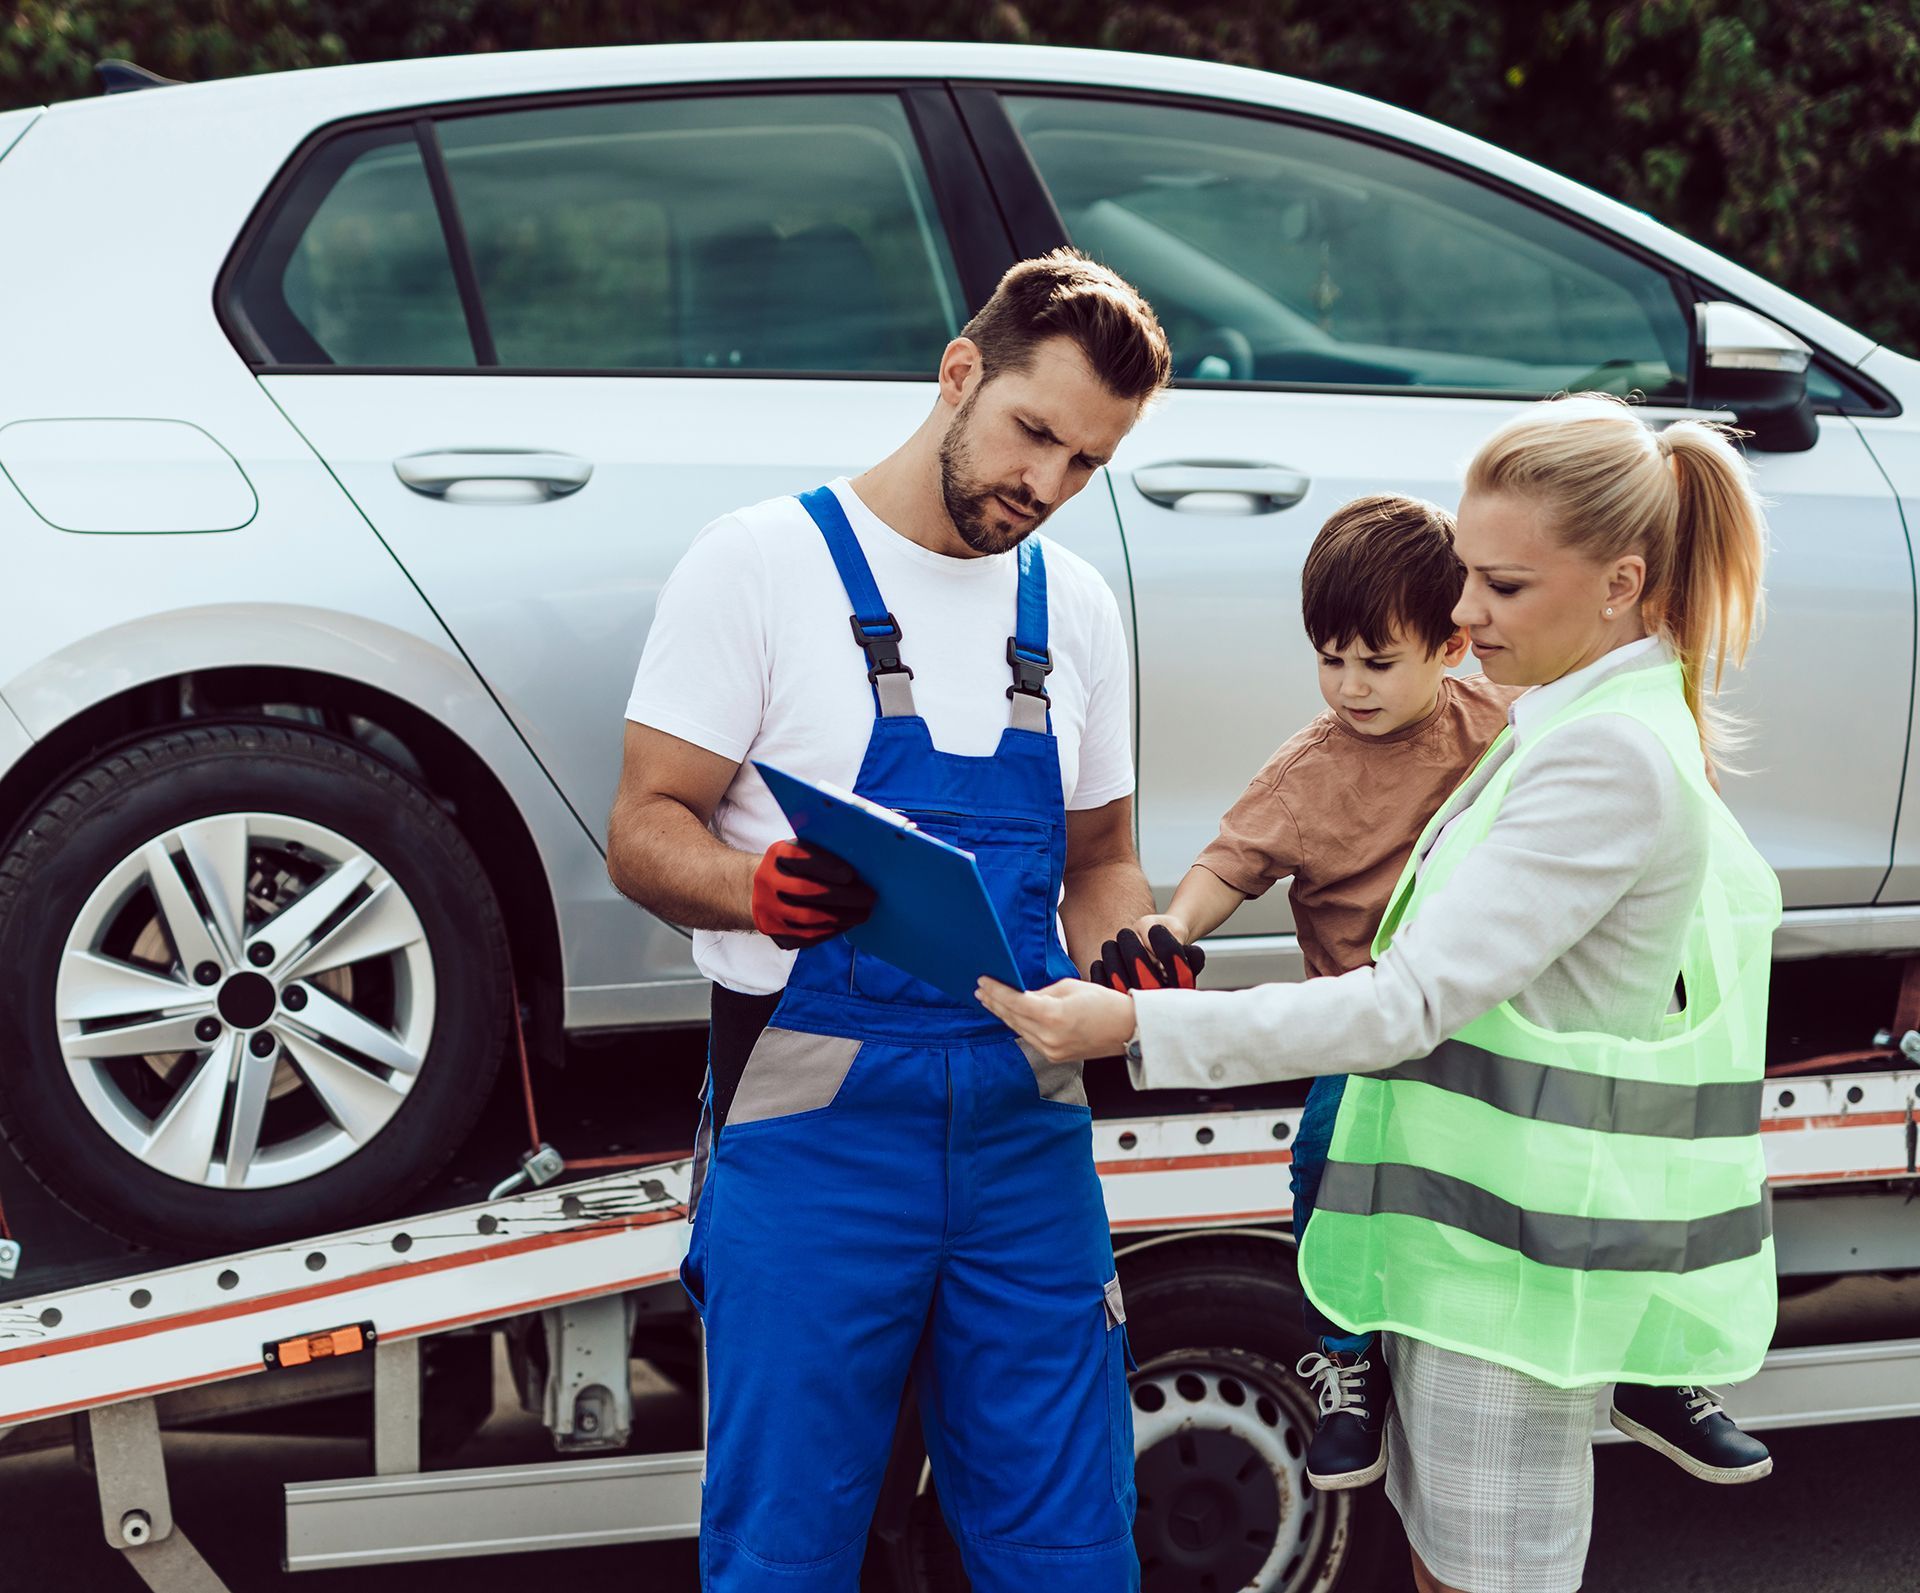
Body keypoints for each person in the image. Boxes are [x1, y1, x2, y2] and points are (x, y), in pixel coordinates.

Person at [981, 393, 1781, 1593]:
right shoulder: (1574, 719)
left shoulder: (1598, 753)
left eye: (1502, 588)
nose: (1463, 612)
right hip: (1469, 1259)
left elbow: (1403, 1004)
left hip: (1508, 1276)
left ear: (1621, 583)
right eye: (1466, 575)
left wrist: (1138, 1021)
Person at [607, 249, 1169, 1593]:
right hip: (812, 1136)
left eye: (1086, 464)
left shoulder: (1075, 607)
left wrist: (1131, 951)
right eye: (1035, 433)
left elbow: (1103, 861)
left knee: (1070, 1546)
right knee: (785, 1548)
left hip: (1028, 1134)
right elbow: (644, 821)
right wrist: (752, 890)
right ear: (960, 373)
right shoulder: (760, 562)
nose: (1045, 487)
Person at [1107, 494, 1521, 1490]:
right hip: (1366, 1034)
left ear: (1452, 645)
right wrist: (1172, 929)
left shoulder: (1503, 730)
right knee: (1328, 1162)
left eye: (1377, 661)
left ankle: (1646, 1358)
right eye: (1330, 657)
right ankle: (1343, 1363)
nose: (1349, 684)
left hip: (1484, 1017)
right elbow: (1229, 863)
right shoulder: (1308, 770)